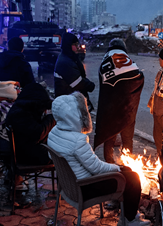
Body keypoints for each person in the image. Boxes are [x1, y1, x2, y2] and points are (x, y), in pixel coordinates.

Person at [47, 92, 150, 225]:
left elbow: (54, 156)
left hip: (69, 186)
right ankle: (129, 220)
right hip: (86, 187)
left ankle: (127, 214)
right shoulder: (78, 140)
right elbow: (97, 168)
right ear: (74, 115)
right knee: (132, 178)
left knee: (127, 171)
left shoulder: (54, 132)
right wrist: (117, 167)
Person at [94, 38, 144, 163]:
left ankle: (109, 162)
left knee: (109, 137)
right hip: (127, 108)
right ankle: (128, 164)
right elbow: (138, 77)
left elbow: (104, 85)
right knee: (127, 138)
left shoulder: (105, 60)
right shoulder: (127, 60)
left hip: (110, 109)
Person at [0, 83, 56, 191]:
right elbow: (38, 134)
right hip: (24, 157)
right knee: (64, 155)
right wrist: (51, 119)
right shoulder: (21, 114)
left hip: (23, 150)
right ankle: (70, 188)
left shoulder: (22, 108)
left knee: (64, 148)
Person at [54, 32, 95, 109]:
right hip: (68, 105)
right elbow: (77, 83)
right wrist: (90, 85)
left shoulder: (69, 58)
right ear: (69, 46)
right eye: (75, 45)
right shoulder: (65, 62)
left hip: (70, 102)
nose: (78, 47)